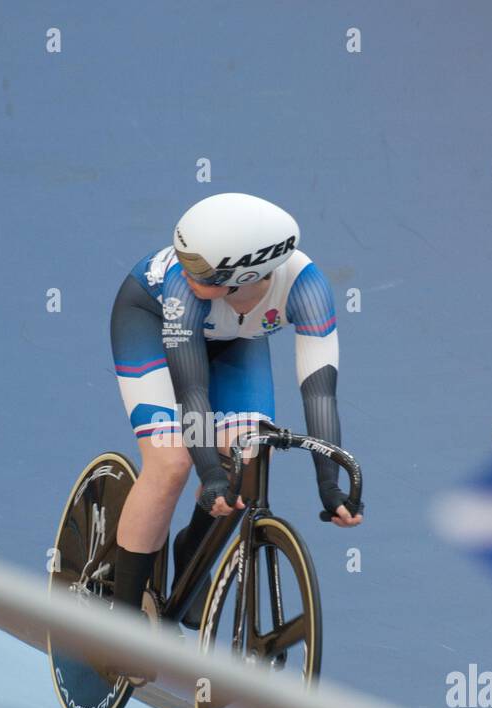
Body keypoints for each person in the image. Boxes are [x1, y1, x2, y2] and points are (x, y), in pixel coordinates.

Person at [108, 192, 363, 627]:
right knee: (171, 462)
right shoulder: (180, 288)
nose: (185, 269)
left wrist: (330, 484)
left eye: (199, 267)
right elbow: (192, 391)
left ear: (248, 273)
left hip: (238, 340)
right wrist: (207, 473)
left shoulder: (308, 288)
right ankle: (120, 619)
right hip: (150, 322)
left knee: (249, 455)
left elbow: (319, 393)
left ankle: (192, 554)